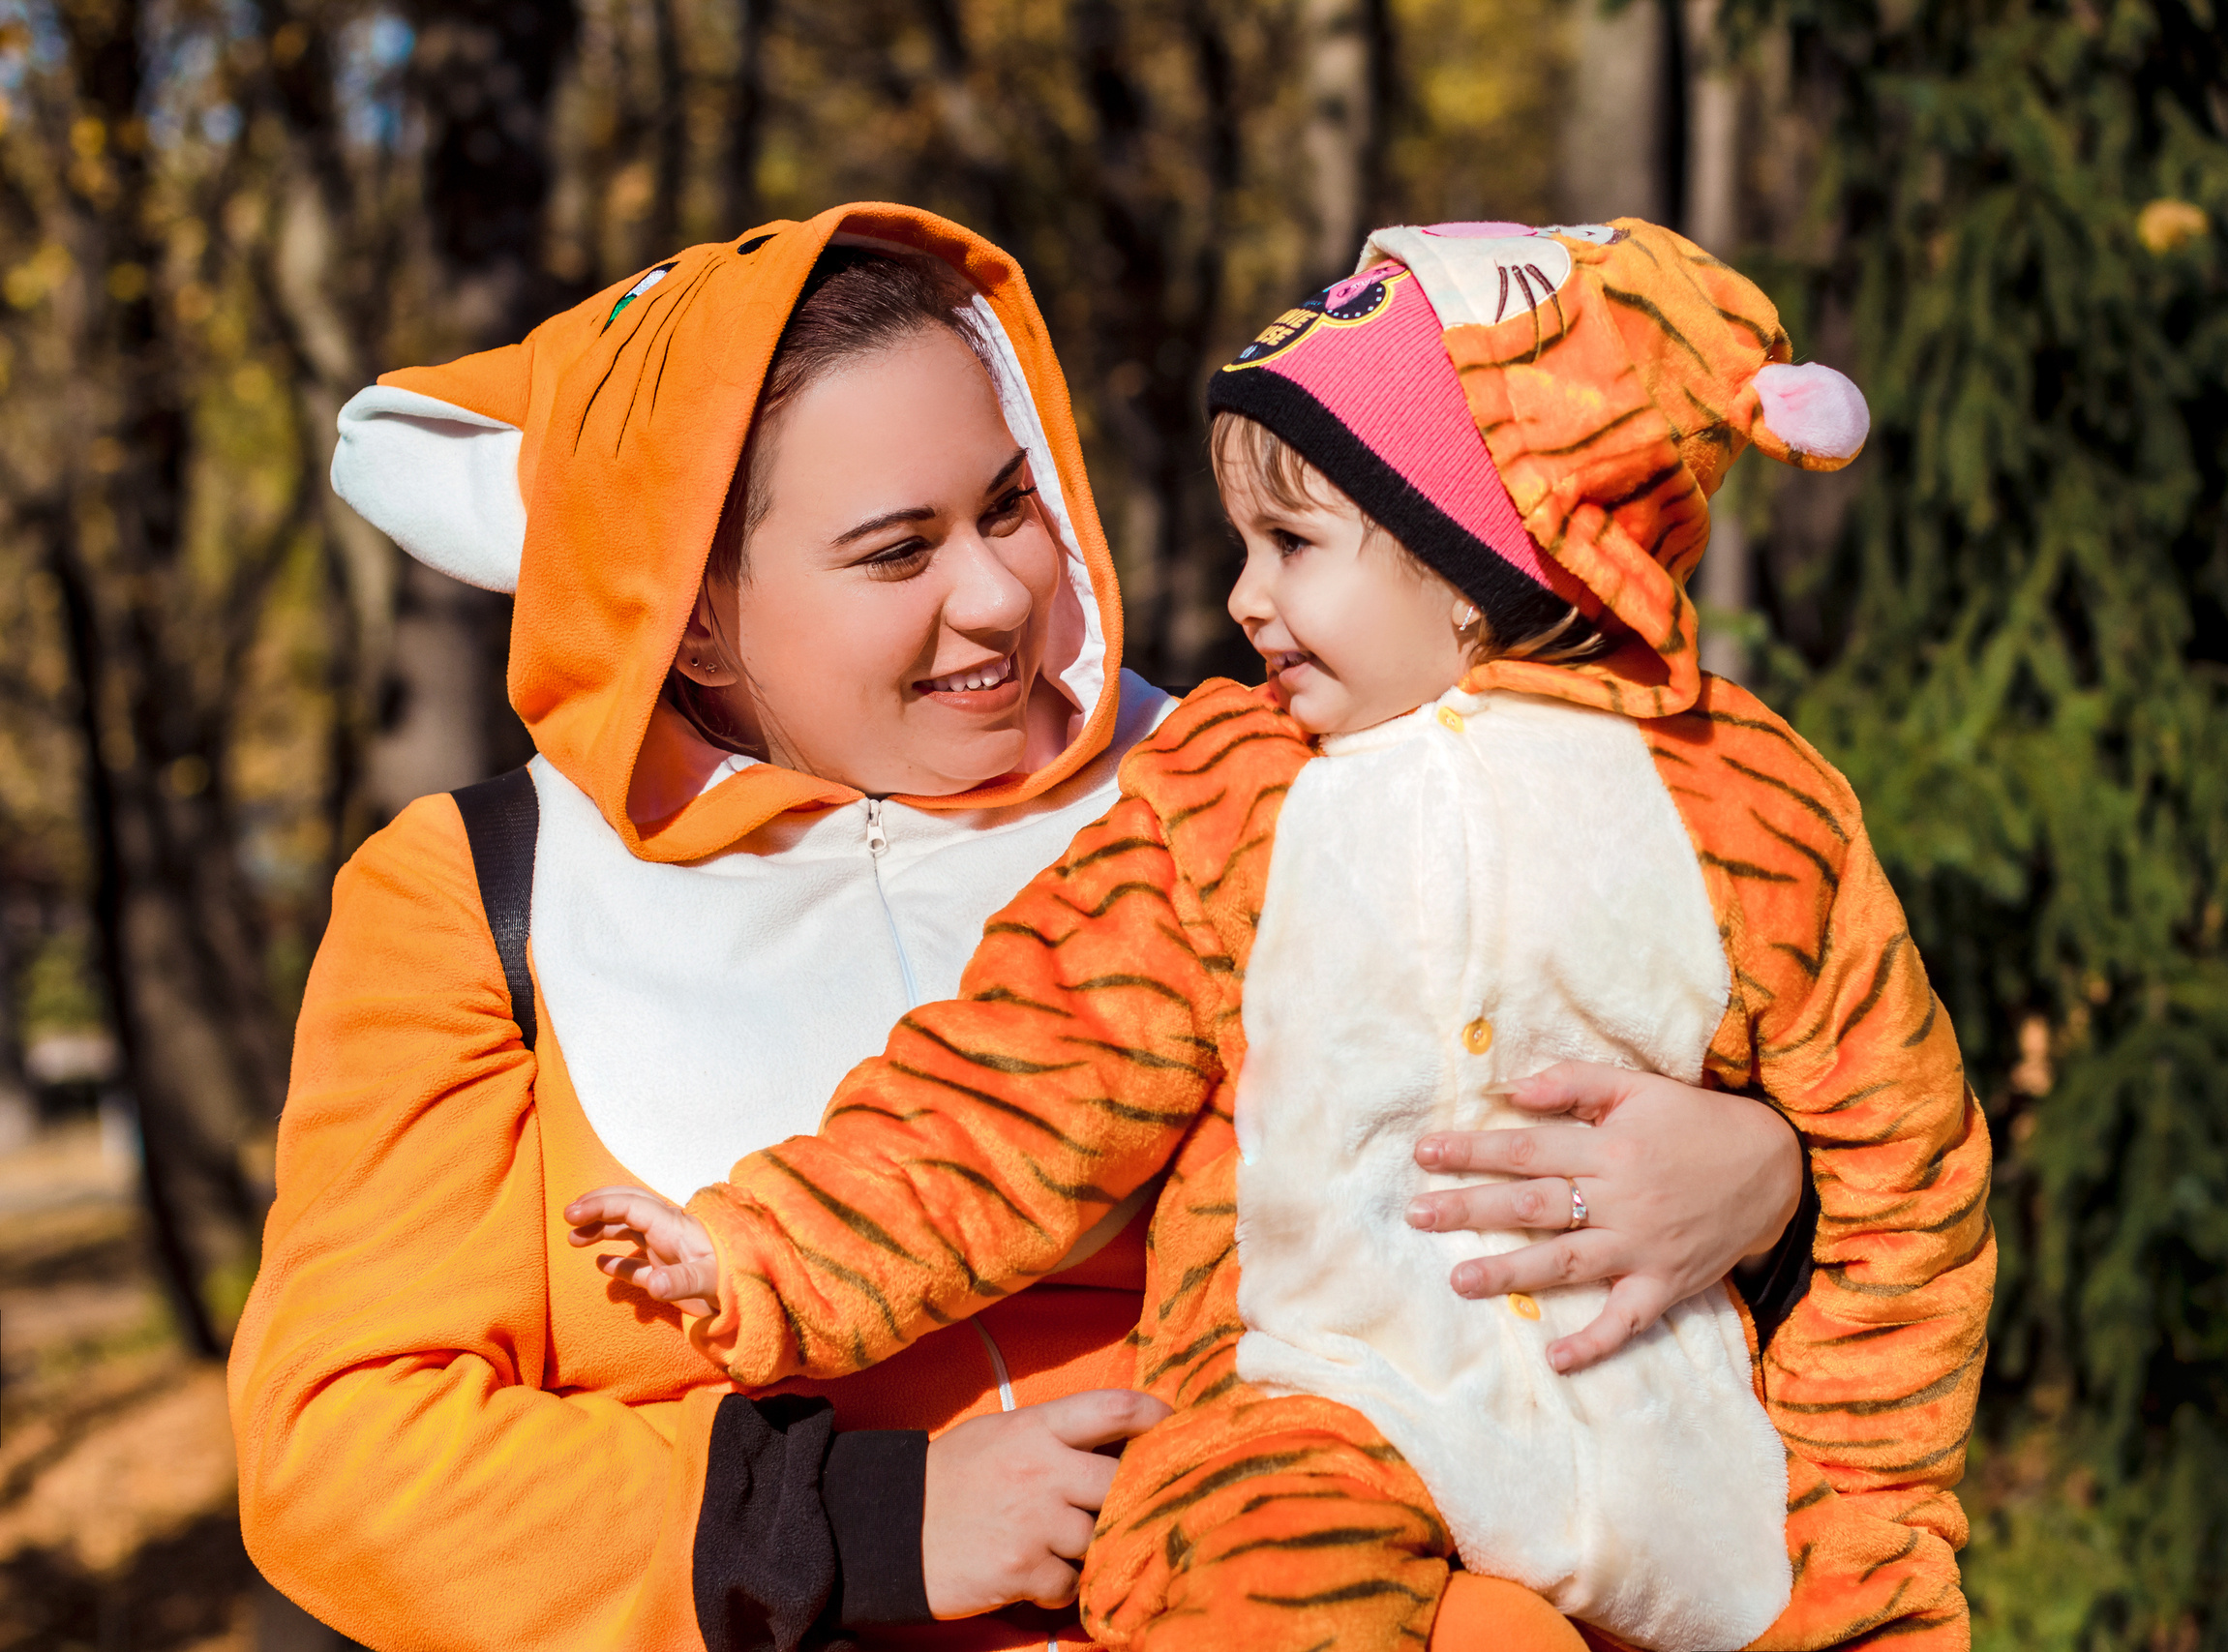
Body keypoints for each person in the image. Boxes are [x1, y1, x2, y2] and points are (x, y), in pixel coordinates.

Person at [228, 203, 1812, 1652]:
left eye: (1009, 507)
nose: (993, 596)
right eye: (896, 551)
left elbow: (1679, 1012)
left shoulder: (1253, 774)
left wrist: (1757, 1178)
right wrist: (863, 1524)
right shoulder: (473, 897)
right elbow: (343, 1449)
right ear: (686, 608)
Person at [570, 220, 1994, 1652]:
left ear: (1484, 553)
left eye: (1295, 544)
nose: (1245, 598)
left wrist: (1874, 1531)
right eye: (1248, 543)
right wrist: (766, 1250)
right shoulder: (1229, 784)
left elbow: (1905, 1163)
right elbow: (1031, 1070)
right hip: (1309, 1419)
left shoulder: (1751, 804)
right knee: (1270, 1576)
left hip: (1666, 1462)